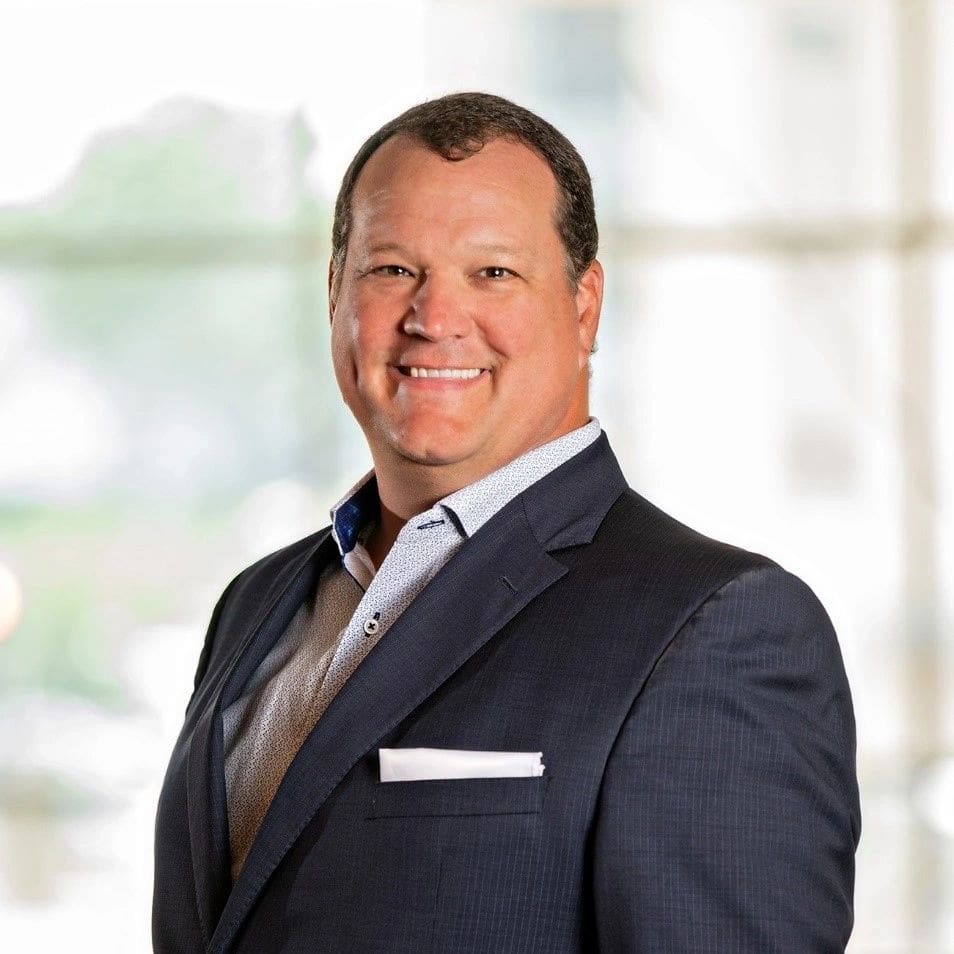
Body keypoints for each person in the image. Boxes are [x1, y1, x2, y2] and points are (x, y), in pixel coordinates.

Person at [153, 91, 860, 953]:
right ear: (334, 291)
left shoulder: (715, 627)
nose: (434, 319)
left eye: (493, 272)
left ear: (584, 304)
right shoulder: (259, 604)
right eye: (390, 269)